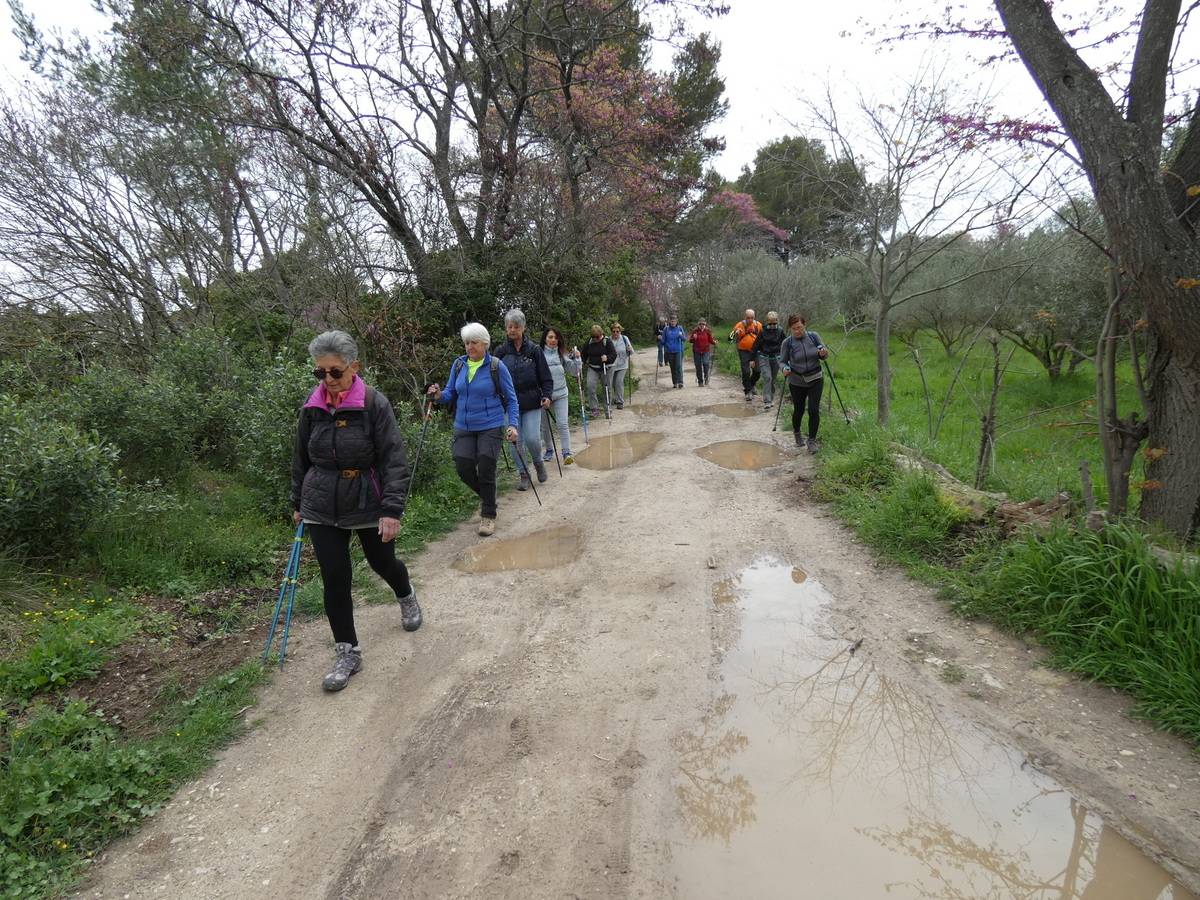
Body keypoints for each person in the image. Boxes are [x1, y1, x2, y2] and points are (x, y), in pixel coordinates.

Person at [291, 330, 420, 693]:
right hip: (321, 501)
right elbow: (300, 457)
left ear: (354, 367)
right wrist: (298, 503)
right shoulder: (312, 407)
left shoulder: (374, 404)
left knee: (382, 563)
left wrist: (392, 509)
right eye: (320, 373)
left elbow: (394, 458)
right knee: (335, 577)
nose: (327, 381)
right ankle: (348, 652)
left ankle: (405, 592)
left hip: (367, 498)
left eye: (335, 372)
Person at [427, 323, 520, 537]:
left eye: (474, 342)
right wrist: (439, 395)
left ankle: (488, 514)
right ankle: (489, 497)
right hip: (464, 425)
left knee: (486, 464)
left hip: (491, 424)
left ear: (485, 344)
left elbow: (512, 399)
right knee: (463, 467)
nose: (469, 347)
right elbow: (451, 392)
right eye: (467, 343)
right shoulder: (459, 364)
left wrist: (512, 424)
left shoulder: (496, 366)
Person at [494, 308, 553, 490]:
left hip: (532, 401)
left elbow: (546, 377)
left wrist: (547, 395)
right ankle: (523, 474)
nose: (513, 330)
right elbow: (492, 378)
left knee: (533, 439)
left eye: (516, 326)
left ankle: (538, 463)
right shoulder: (500, 352)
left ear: (523, 328)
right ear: (506, 329)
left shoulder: (534, 350)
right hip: (509, 405)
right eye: (510, 326)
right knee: (514, 440)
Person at [780, 314, 829, 452]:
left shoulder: (814, 337)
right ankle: (797, 433)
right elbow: (782, 360)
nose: (797, 331)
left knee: (813, 409)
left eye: (800, 328)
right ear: (790, 328)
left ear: (804, 325)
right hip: (796, 381)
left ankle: (811, 441)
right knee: (799, 410)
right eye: (794, 328)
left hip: (816, 378)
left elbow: (824, 355)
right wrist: (784, 368)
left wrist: (823, 353)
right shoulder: (787, 343)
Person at [540, 327, 582, 465]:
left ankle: (566, 452)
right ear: (545, 339)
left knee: (563, 424)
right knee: (546, 426)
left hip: (561, 394)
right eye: (550, 337)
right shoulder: (538, 354)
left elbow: (575, 371)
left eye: (556, 338)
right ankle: (549, 450)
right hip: (544, 396)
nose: (553, 340)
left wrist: (578, 358)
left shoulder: (562, 354)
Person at [750, 311, 786, 409]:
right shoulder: (762, 331)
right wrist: (752, 359)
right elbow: (755, 345)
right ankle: (767, 401)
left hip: (776, 358)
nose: (773, 325)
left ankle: (771, 397)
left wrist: (787, 358)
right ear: (767, 322)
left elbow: (785, 344)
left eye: (774, 323)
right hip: (763, 357)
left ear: (777, 321)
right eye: (770, 323)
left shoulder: (780, 331)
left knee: (772, 380)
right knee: (767, 377)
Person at [580, 324, 617, 415]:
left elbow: (614, 354)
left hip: (606, 368)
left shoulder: (607, 341)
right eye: (594, 337)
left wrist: (607, 358)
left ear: (601, 334)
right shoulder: (589, 342)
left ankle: (607, 408)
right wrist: (581, 362)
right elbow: (584, 355)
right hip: (593, 368)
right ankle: (594, 408)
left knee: (606, 388)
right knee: (590, 386)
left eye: (598, 336)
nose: (596, 339)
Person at [729, 308, 763, 401]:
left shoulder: (758, 325)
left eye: (752, 318)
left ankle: (751, 385)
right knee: (746, 371)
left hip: (755, 351)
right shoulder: (740, 325)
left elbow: (763, 337)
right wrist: (735, 333)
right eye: (748, 318)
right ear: (745, 317)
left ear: (754, 317)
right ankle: (748, 391)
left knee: (758, 371)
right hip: (743, 350)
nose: (750, 320)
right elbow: (729, 337)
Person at [607, 322, 634, 408]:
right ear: (611, 332)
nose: (615, 333)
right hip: (612, 365)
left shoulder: (624, 339)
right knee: (611, 383)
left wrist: (629, 349)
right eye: (614, 331)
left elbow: (631, 352)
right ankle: (612, 399)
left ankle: (620, 401)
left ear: (620, 331)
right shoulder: (608, 340)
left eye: (617, 331)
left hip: (622, 364)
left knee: (618, 382)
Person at [659, 313, 687, 388]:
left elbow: (684, 339)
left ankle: (680, 382)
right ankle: (675, 382)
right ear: (669, 321)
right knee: (673, 367)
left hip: (678, 350)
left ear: (677, 321)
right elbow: (663, 341)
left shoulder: (679, 328)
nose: (673, 322)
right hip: (669, 351)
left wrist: (681, 336)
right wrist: (660, 338)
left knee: (678, 366)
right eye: (672, 321)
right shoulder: (666, 329)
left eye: (674, 321)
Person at [688, 318, 717, 386]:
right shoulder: (695, 331)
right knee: (698, 366)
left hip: (705, 350)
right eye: (700, 324)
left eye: (703, 324)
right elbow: (690, 340)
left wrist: (714, 342)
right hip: (697, 351)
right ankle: (700, 381)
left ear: (705, 324)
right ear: (698, 324)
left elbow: (710, 340)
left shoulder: (707, 331)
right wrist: (693, 338)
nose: (701, 325)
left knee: (706, 364)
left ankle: (706, 378)